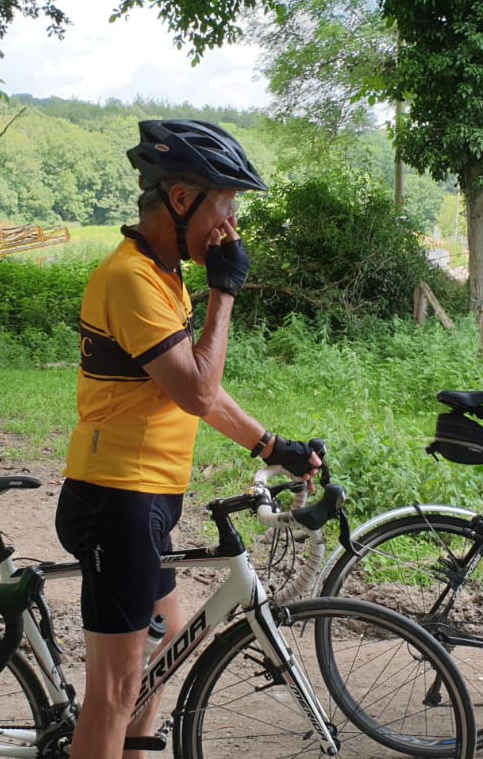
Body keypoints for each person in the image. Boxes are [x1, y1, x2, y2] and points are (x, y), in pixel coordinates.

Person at [55, 119, 322, 759]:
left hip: (144, 499)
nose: (232, 225)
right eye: (225, 206)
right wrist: (224, 293)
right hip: (116, 499)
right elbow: (199, 390)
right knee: (114, 691)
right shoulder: (130, 279)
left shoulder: (163, 274)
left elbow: (192, 387)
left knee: (164, 644)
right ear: (180, 199)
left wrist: (272, 446)